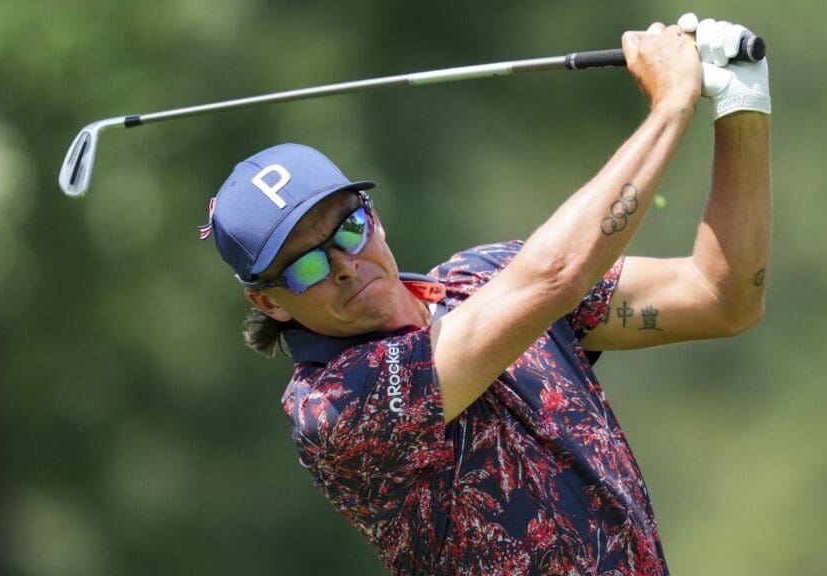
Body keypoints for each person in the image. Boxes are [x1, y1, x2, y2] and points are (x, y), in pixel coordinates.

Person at [199, 13, 770, 576]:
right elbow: (553, 278)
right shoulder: (333, 406)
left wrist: (741, 105)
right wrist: (671, 105)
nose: (346, 266)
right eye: (307, 266)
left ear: (375, 216)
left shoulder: (484, 276)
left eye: (349, 228)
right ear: (269, 302)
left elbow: (721, 296)